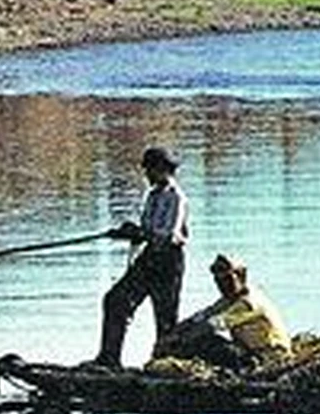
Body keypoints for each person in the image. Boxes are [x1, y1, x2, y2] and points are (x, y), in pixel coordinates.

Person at [93, 146, 189, 367]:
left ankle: (164, 367)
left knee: (165, 320)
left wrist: (141, 233)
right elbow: (148, 230)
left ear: (163, 170)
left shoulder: (177, 198)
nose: (146, 174)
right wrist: (130, 232)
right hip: (149, 258)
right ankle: (109, 359)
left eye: (149, 170)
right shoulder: (152, 196)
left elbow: (168, 234)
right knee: (115, 301)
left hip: (168, 262)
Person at [153, 254, 292, 371]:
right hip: (252, 351)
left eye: (227, 280)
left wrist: (178, 342)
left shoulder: (248, 303)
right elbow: (202, 316)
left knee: (206, 342)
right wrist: (172, 334)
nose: (223, 286)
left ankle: (246, 369)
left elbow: (212, 325)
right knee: (198, 339)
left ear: (241, 276)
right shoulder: (230, 299)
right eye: (219, 281)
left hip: (270, 356)